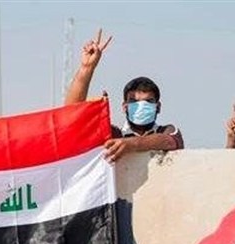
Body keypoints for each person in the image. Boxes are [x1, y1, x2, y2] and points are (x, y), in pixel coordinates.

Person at [64, 30, 183, 162]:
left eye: (148, 101)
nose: (141, 106)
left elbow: (169, 141)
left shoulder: (166, 130)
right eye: (134, 101)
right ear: (124, 107)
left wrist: (131, 144)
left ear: (158, 107)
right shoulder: (114, 135)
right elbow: (72, 118)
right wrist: (86, 68)